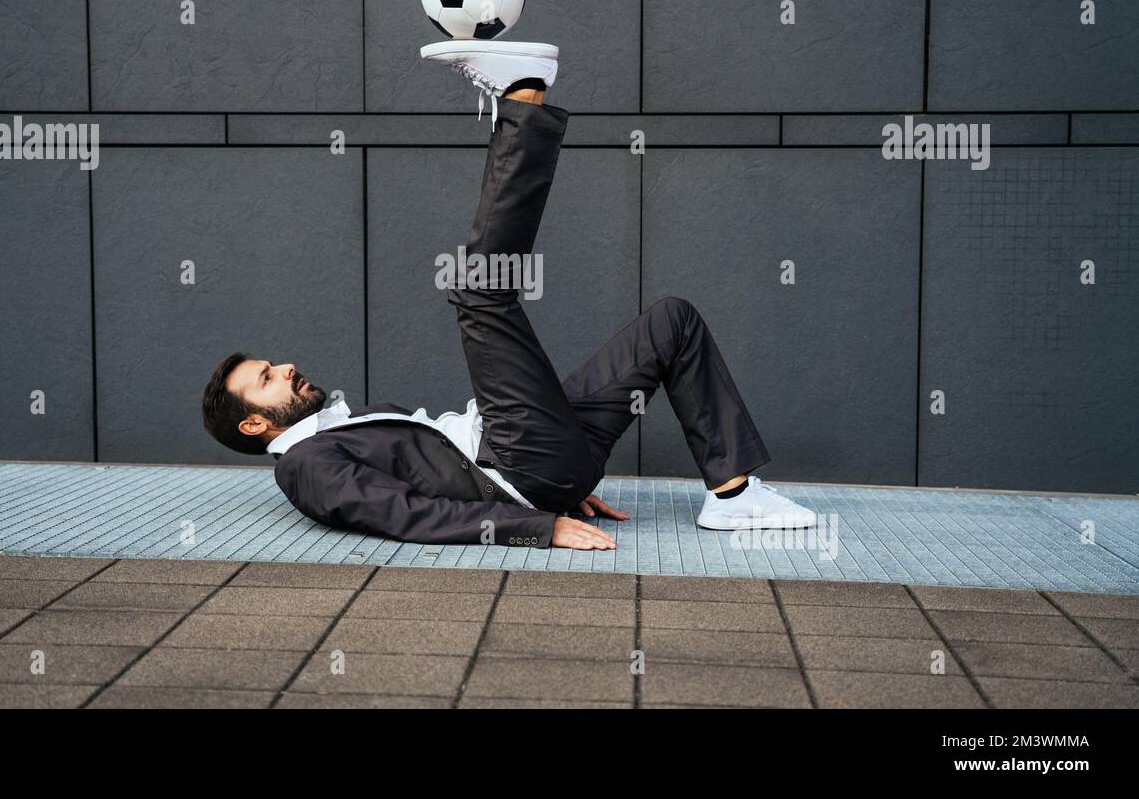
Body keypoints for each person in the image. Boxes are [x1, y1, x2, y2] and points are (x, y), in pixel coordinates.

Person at [201, 41, 815, 549]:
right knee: (479, 293)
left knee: (670, 324)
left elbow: (434, 472)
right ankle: (523, 95)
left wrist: (561, 477)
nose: (283, 368)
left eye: (270, 365)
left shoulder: (330, 430)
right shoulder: (304, 467)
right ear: (256, 422)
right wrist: (535, 522)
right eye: (265, 379)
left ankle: (734, 497)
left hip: (532, 460)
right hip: (518, 466)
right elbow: (402, 515)